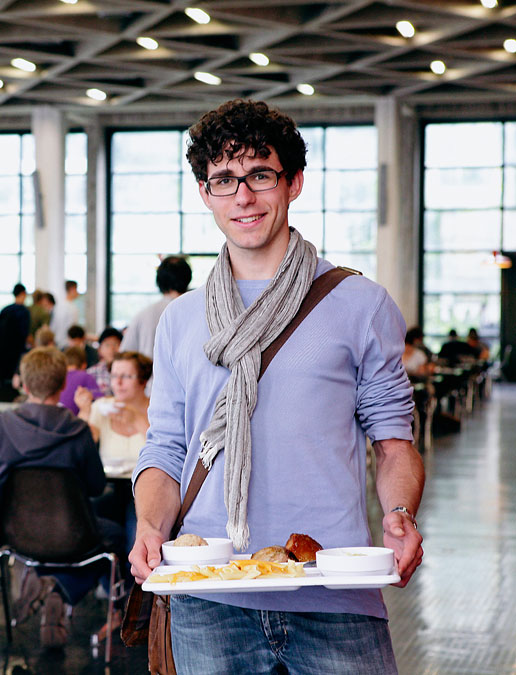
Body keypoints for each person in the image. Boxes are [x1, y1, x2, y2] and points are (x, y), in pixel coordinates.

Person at [129, 99, 424, 674]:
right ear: (205, 193)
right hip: (208, 589)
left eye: (260, 174)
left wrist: (399, 514)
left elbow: (393, 442)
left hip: (333, 586)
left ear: (293, 183)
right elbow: (166, 448)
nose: (243, 196)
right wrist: (148, 526)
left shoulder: (358, 304)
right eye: (224, 179)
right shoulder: (182, 320)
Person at [0, 347, 123, 647]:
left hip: (14, 536)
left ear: (25, 385)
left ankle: (51, 583)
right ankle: (60, 587)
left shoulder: (0, 426)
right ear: (61, 386)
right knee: (117, 537)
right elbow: (96, 487)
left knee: (77, 537)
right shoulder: (78, 430)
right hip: (74, 535)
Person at [76, 351, 151, 462]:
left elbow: (166, 453)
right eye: (114, 376)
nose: (118, 382)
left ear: (143, 381)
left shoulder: (158, 410)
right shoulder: (101, 407)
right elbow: (80, 449)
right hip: (109, 479)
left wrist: (136, 419)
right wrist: (85, 411)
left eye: (126, 376)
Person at [121, 255, 192, 359]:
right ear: (188, 278)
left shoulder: (143, 315)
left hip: (150, 374)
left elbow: (124, 356)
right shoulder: (200, 312)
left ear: (159, 281)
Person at [0, 283, 31, 382]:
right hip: (16, 350)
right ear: (23, 294)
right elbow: (25, 332)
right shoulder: (24, 312)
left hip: (3, 350)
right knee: (14, 377)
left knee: (3, 377)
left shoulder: (5, 310)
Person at [59, 346, 101, 414]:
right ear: (84, 365)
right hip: (74, 420)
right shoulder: (85, 376)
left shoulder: (59, 376)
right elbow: (101, 399)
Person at [87, 327, 123, 396]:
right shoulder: (91, 373)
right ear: (100, 350)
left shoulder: (129, 371)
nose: (112, 349)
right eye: (107, 345)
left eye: (116, 344)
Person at [49, 280, 80, 348]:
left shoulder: (58, 306)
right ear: (72, 289)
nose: (78, 293)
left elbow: (53, 326)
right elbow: (73, 328)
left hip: (57, 342)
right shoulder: (72, 308)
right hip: (68, 344)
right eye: (77, 289)